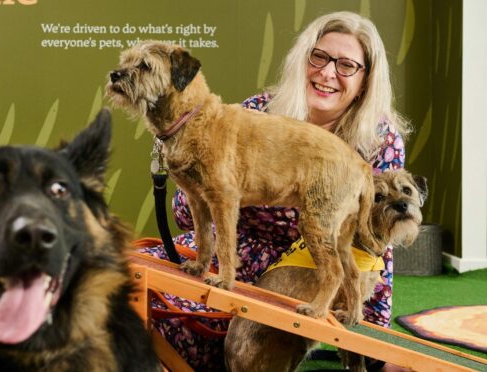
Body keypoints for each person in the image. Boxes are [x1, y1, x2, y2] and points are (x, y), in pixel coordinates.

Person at [138, 11, 409, 371]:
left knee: (208, 333)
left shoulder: (379, 141)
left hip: (300, 270)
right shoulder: (257, 111)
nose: (328, 73)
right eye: (320, 57)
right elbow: (185, 214)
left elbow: (374, 240)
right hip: (232, 251)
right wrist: (190, 170)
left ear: (366, 80)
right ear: (304, 60)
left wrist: (373, 323)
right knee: (137, 297)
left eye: (346, 66)